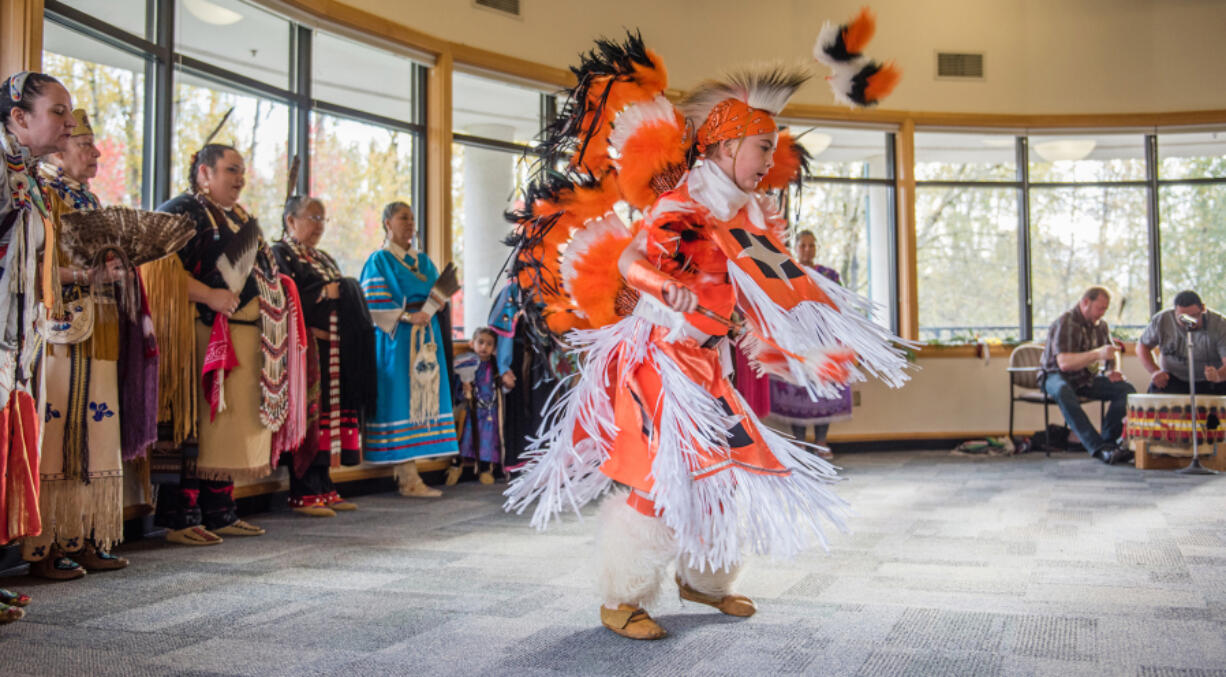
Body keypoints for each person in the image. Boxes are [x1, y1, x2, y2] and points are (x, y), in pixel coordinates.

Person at [503, 37, 911, 641]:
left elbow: (741, 288)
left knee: (718, 470)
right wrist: (664, 291)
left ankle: (705, 580)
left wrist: (748, 330)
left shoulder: (744, 213)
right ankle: (622, 596)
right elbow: (632, 264)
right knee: (655, 477)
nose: (768, 159)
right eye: (761, 147)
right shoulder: (684, 200)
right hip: (657, 362)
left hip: (704, 360)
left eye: (772, 147)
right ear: (723, 145)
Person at [152, 143, 290, 543]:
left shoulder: (241, 217)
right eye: (231, 170)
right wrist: (208, 295)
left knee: (226, 426)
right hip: (198, 330)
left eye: (242, 170)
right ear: (204, 173)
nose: (240, 178)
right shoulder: (182, 210)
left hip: (244, 335)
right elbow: (156, 268)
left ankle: (221, 511)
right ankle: (181, 517)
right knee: (200, 424)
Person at [22, 109, 134, 580]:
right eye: (85, 144)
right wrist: (85, 275)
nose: (96, 153)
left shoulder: (89, 199)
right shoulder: (42, 194)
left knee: (97, 430)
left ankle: (86, 534)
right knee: (60, 430)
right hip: (59, 327)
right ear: (62, 150)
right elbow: (33, 259)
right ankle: (47, 542)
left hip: (98, 323)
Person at [0, 70, 78, 624]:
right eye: (58, 111)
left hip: (16, 339)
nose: (68, 123)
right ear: (19, 117)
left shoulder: (28, 177)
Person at [272, 195, 376, 516]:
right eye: (312, 218)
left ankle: (324, 484)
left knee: (330, 419)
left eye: (322, 219)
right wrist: (322, 293)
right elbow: (281, 296)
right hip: (306, 349)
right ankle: (303, 490)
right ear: (290, 220)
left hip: (333, 350)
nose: (318, 226)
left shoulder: (324, 258)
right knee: (310, 415)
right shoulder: (280, 254)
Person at [359, 201, 457, 497]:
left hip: (427, 337)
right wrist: (406, 317)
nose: (410, 223)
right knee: (400, 399)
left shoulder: (424, 262)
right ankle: (406, 476)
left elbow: (440, 293)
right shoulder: (379, 260)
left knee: (424, 399)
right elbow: (372, 302)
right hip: (396, 339)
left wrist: (430, 309)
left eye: (412, 218)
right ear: (388, 223)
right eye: (403, 218)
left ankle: (412, 474)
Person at [768, 230, 852, 459]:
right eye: (803, 245)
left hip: (823, 341)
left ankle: (821, 443)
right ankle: (800, 444)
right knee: (799, 391)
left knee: (823, 390)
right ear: (795, 248)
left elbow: (839, 306)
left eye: (811, 245)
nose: (807, 249)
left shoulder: (828, 275)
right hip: (797, 342)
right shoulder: (785, 274)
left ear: (816, 248)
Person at [1038, 286, 1136, 465]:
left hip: (1083, 378)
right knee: (1062, 390)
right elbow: (1065, 364)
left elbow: (1110, 353)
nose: (1102, 313)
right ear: (1085, 303)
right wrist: (1098, 354)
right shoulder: (1065, 322)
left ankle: (1110, 443)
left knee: (1126, 390)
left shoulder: (1101, 326)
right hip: (1054, 375)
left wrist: (1110, 370)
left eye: (1105, 309)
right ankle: (1098, 448)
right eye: (1099, 308)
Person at [1136, 290, 1226, 396]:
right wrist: (1155, 371)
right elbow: (1142, 347)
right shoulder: (1162, 320)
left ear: (1203, 308)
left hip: (1211, 380)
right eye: (1183, 317)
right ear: (1175, 312)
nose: (1189, 322)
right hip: (1172, 377)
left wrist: (1218, 375)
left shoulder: (1220, 324)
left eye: (1194, 316)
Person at [451, 327, 507, 484]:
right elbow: (459, 391)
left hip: (491, 411)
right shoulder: (467, 363)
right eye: (480, 342)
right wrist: (465, 389)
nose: (484, 347)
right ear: (472, 343)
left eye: (489, 344)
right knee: (466, 437)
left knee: (489, 440)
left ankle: (485, 469)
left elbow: (501, 386)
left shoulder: (496, 366)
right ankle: (456, 466)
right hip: (473, 410)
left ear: (494, 348)